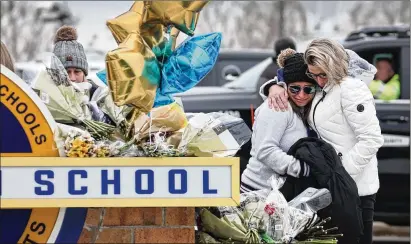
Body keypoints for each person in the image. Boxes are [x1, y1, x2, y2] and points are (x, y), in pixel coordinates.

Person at [261, 38, 384, 244]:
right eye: (313, 74)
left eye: (322, 74)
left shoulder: (351, 89)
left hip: (355, 189)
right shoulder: (323, 88)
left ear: (333, 66)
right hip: (332, 187)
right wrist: (273, 87)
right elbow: (291, 78)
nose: (317, 80)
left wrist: (341, 174)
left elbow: (371, 139)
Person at [240, 48, 317, 193]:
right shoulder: (277, 107)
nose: (301, 95)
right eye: (294, 88)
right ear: (285, 86)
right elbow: (265, 150)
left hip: (281, 193)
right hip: (259, 192)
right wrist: (303, 169)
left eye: (308, 89)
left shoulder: (305, 109)